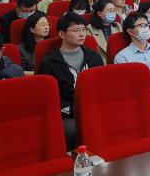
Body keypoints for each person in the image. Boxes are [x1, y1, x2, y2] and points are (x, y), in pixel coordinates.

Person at [37, 13, 104, 149]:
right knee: (72, 129)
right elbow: (48, 97)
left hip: (94, 106)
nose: (82, 34)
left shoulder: (93, 57)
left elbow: (102, 86)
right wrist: (72, 110)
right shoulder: (49, 62)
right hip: (67, 113)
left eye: (83, 30)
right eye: (76, 30)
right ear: (62, 34)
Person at [114, 12, 150, 95]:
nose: (146, 28)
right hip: (140, 94)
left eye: (147, 25)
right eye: (141, 25)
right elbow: (127, 84)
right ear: (130, 31)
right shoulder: (122, 57)